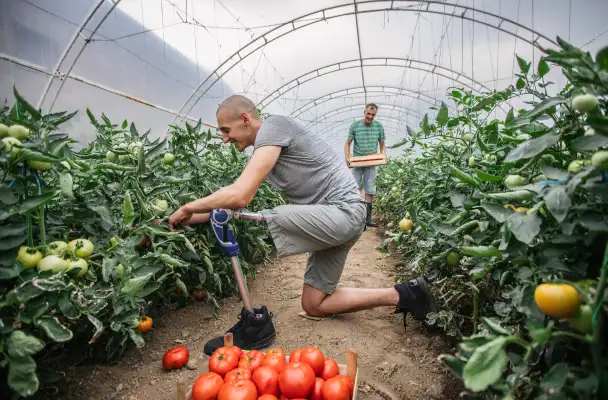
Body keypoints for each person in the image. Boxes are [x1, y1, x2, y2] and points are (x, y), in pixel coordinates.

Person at [168, 95, 434, 355]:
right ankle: (404, 294)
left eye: (226, 130)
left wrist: (189, 205)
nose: (224, 138)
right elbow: (231, 206)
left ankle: (254, 325)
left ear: (245, 119)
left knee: (269, 216)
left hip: (344, 212)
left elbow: (240, 195)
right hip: (334, 219)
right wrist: (188, 217)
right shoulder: (267, 148)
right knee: (314, 304)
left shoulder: (274, 127)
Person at [344, 104, 386, 227]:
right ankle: (353, 217)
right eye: (368, 113)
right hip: (357, 162)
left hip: (371, 162)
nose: (370, 116)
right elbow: (347, 143)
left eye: (373, 115)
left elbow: (382, 143)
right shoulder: (355, 126)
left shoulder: (379, 126)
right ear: (364, 112)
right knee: (353, 188)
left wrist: (382, 156)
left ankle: (367, 219)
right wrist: (348, 157)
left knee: (370, 189)